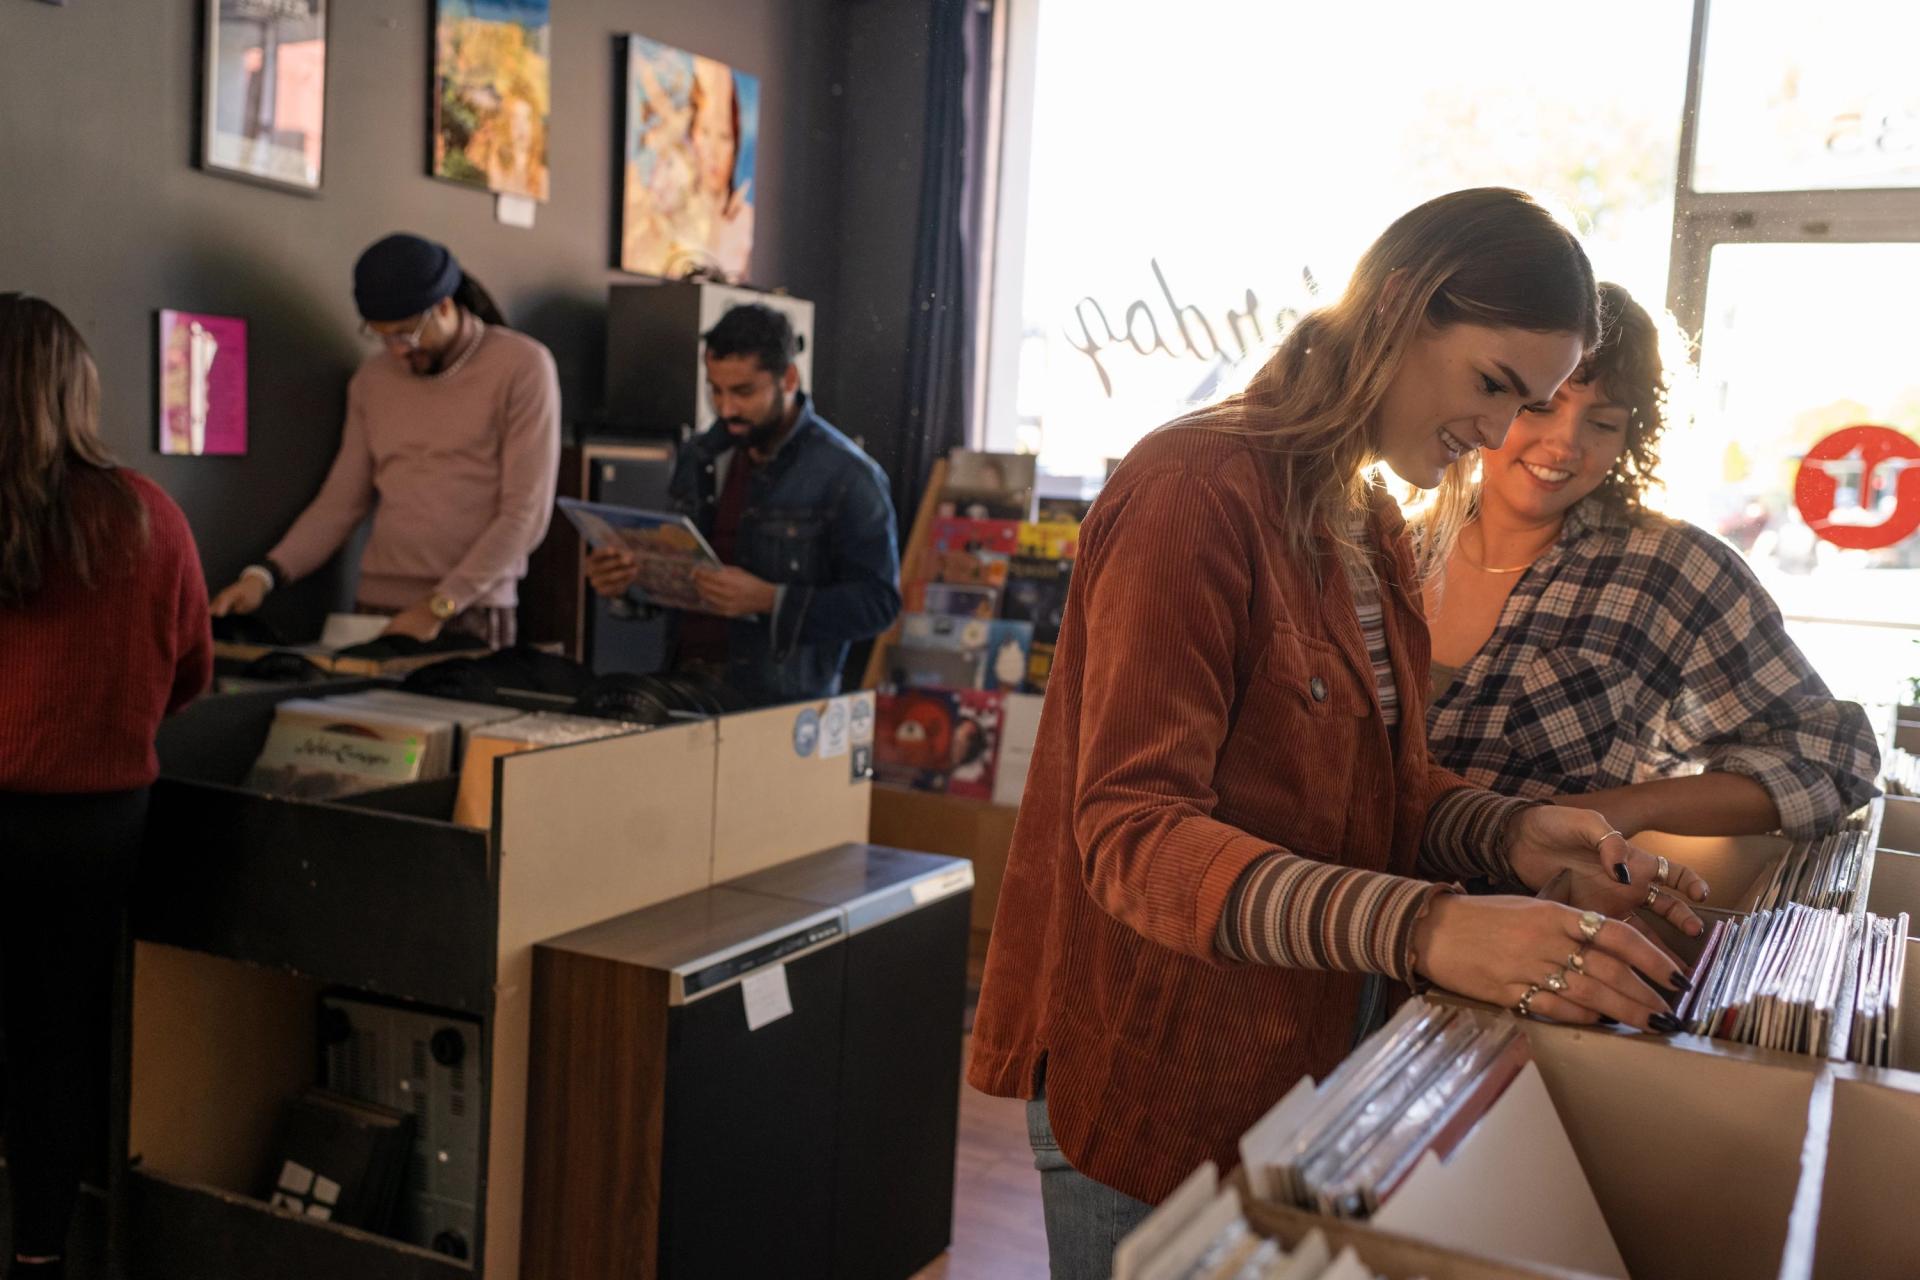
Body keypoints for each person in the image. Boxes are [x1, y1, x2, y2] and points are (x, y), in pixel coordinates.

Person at [966, 190, 1713, 1280]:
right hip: (1157, 1077)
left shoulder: (1362, 518)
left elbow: (1379, 792)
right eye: (1494, 386)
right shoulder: (1192, 489)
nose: (1503, 435)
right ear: (1397, 313)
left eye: (1538, 402)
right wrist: (1427, 927)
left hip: (1300, 1067)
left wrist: (1516, 836)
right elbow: (1132, 834)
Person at [1423, 283, 1880, 838]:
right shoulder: (1384, 549)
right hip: (1350, 914)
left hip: (1541, 916)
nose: (1566, 445)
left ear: (1631, 439)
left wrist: (1620, 811)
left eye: (1604, 422)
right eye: (1542, 408)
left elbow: (1832, 757)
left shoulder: (1672, 569)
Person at [0, 294, 213, 1279]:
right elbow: (191, 672)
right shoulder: (147, 512)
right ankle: (43, 1252)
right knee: (58, 1041)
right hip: (97, 825)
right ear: (78, 390)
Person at [209, 233, 561, 649]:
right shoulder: (371, 381)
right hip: (376, 605)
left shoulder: (521, 366)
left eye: (405, 335)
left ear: (444, 307)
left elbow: (525, 515)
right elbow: (340, 503)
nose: (395, 351)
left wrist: (439, 605)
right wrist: (264, 576)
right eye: (381, 336)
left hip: (471, 609)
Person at [586, 304, 900, 708]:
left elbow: (879, 605)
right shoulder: (700, 453)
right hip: (681, 684)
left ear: (788, 379)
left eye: (743, 391)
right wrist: (627, 582)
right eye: (715, 390)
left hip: (777, 706)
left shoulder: (848, 474)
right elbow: (681, 580)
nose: (726, 408)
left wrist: (770, 599)